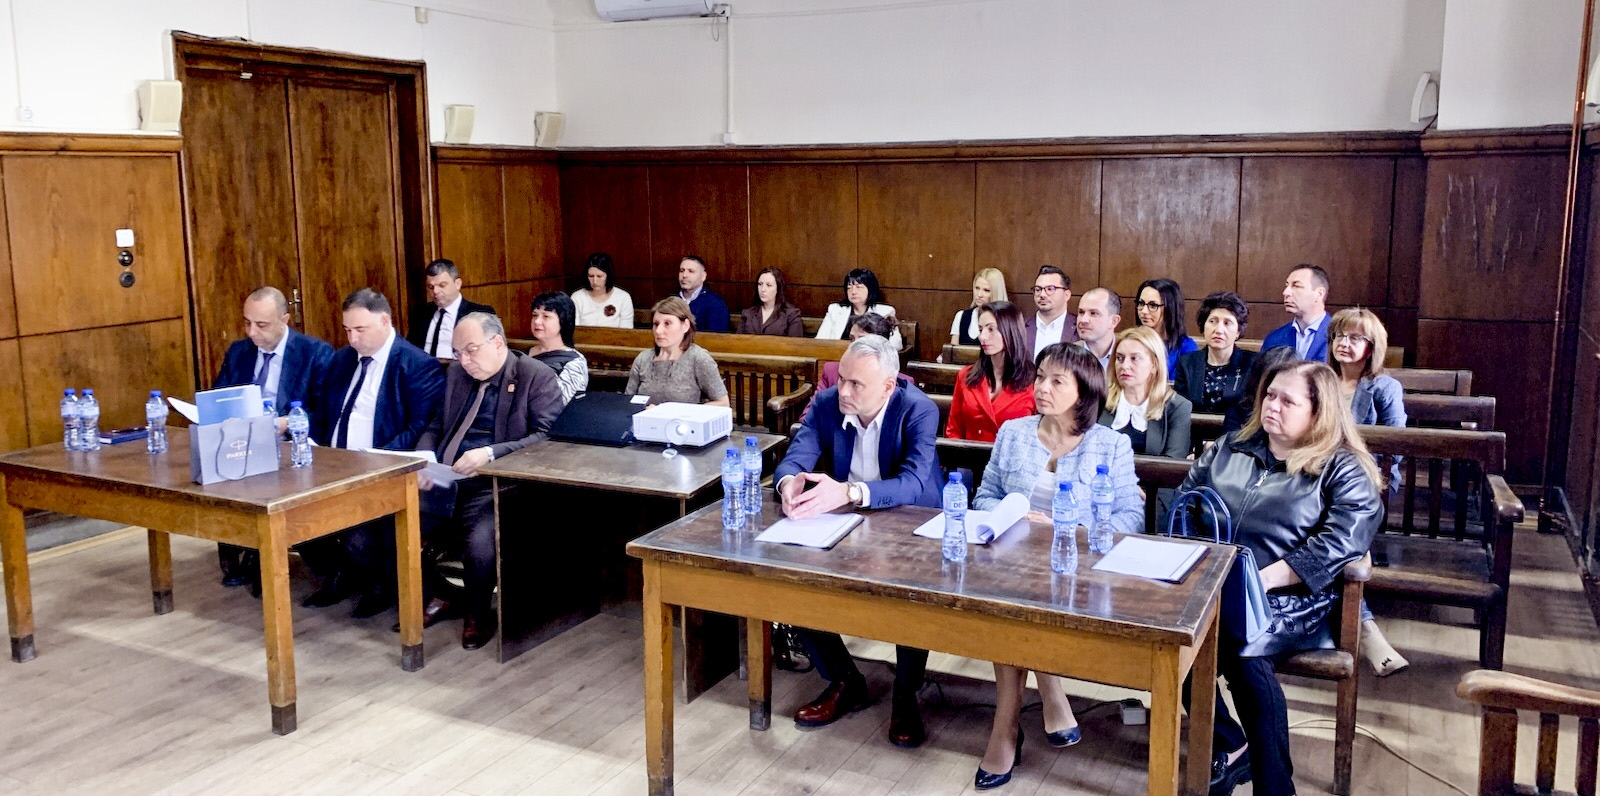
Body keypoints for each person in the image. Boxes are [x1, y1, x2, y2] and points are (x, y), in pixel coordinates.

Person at [1178, 359, 1382, 796]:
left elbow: (1341, 541)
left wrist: (1264, 578)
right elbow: (1187, 501)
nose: (1272, 405)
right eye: (1269, 395)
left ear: (1318, 411)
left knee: (1245, 650)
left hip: (1297, 598)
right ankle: (1232, 745)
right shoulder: (1231, 447)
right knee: (1178, 643)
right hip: (1215, 585)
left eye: (1287, 401)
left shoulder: (1342, 468)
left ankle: (1274, 787)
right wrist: (1200, 565)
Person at [969, 343, 1142, 789]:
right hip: (1013, 561)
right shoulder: (1013, 432)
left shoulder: (1111, 445)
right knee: (1011, 596)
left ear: (1084, 392)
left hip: (1079, 571)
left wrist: (1070, 528)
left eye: (1056, 381)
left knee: (1016, 604)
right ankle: (1039, 696)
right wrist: (1012, 514)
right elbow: (984, 496)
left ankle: (1007, 728)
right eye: (1040, 377)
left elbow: (1130, 518)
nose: (1041, 388)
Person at [773, 334, 943, 748]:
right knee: (791, 578)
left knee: (909, 591)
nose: (843, 391)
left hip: (910, 519)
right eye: (841, 379)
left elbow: (914, 482)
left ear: (888, 386)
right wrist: (788, 484)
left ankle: (905, 692)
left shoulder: (917, 408)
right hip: (845, 520)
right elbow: (796, 456)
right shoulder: (828, 402)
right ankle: (844, 679)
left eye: (855, 384)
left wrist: (850, 492)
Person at [399, 312, 565, 650]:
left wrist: (490, 454)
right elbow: (436, 424)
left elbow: (547, 437)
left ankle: (477, 612)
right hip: (444, 479)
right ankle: (442, 593)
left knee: (479, 543)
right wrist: (424, 459)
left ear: (498, 343)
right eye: (457, 352)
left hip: (497, 486)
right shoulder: (457, 374)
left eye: (471, 350)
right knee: (387, 522)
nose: (464, 360)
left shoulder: (535, 376)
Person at [302, 288, 445, 617]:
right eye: (347, 330)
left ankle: (381, 583)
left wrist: (371, 458)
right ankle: (342, 573)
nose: (353, 339)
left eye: (360, 330)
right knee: (294, 518)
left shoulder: (416, 364)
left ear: (384, 321)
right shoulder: (342, 359)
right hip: (331, 465)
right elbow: (323, 415)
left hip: (380, 469)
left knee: (361, 537)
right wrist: (310, 443)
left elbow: (420, 428)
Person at [212, 286, 335, 590]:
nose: (252, 332)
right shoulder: (239, 351)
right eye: (247, 323)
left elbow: (325, 413)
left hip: (291, 444)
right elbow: (218, 397)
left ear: (285, 320)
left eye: (261, 325)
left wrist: (287, 422)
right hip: (242, 441)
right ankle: (243, 548)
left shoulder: (314, 353)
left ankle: (268, 552)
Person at [1327, 307, 1410, 677]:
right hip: (1318, 481)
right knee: (1328, 536)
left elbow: (1397, 444)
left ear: (1372, 346)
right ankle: (1364, 628)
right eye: (1339, 336)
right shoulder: (1321, 380)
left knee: (1335, 533)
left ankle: (1362, 627)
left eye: (1355, 337)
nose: (1344, 343)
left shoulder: (1384, 387)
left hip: (1364, 485)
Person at [946, 301, 1035, 443]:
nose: (982, 337)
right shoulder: (966, 375)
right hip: (970, 455)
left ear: (1010, 330)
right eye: (981, 329)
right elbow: (953, 431)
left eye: (991, 329)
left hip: (1011, 456)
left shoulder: (1034, 380)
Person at [1100, 327, 1191, 459]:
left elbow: (1174, 463)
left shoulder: (1177, 407)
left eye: (1134, 358)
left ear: (1154, 365)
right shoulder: (1099, 399)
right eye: (1120, 358)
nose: (1124, 366)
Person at [626, 297, 730, 407]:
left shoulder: (698, 358)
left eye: (667, 323)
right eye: (656, 324)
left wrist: (677, 412)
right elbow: (628, 401)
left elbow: (723, 403)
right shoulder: (643, 359)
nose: (658, 331)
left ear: (685, 326)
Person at [807, 312, 913, 415]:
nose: (854, 345)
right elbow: (809, 414)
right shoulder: (831, 372)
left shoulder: (903, 383)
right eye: (852, 339)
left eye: (863, 340)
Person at [1175, 292, 1257, 420]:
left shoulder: (1252, 364)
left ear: (1238, 331)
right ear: (1204, 326)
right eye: (1213, 321)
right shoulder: (1186, 363)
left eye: (1227, 323)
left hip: (1237, 431)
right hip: (1193, 431)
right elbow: (1179, 411)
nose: (1218, 330)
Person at [407, 259, 496, 359]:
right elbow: (410, 349)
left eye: (442, 285)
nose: (435, 291)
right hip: (423, 367)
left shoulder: (480, 314)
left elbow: (489, 354)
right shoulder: (421, 312)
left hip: (460, 367)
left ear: (457, 284)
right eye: (431, 287)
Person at [527, 292, 589, 406]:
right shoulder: (524, 353)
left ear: (563, 320)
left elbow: (561, 402)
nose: (537, 321)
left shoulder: (574, 361)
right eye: (535, 315)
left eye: (546, 316)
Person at [816, 268, 902, 348]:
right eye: (849, 288)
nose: (853, 292)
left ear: (870, 289)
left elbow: (896, 345)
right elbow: (819, 340)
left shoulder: (885, 312)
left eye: (858, 287)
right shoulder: (835, 310)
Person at [1262, 263, 1331, 362]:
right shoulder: (1274, 339)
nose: (1285, 292)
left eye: (1296, 286)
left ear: (1319, 294)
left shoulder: (1339, 337)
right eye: (1287, 286)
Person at [1223, 346, 1300, 433]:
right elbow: (1230, 439)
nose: (1274, 406)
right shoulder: (1239, 409)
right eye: (1270, 394)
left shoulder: (1302, 415)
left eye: (1287, 401)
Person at [1135, 278, 1197, 379]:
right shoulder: (1131, 342)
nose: (1144, 311)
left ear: (1170, 308)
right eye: (1141, 303)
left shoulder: (1186, 347)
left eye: (1153, 305)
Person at [1025, 265, 1079, 360]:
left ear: (1066, 295)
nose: (1042, 295)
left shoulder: (1079, 328)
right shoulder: (1020, 326)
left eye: (1050, 289)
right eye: (1038, 289)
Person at [572, 252, 634, 328]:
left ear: (608, 276)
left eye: (599, 276)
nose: (595, 281)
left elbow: (626, 332)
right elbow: (574, 330)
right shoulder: (577, 298)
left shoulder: (623, 298)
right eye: (591, 276)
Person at [738, 266, 804, 336]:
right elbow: (737, 340)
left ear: (778, 288)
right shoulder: (747, 314)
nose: (763, 289)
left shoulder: (791, 315)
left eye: (768, 285)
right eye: (760, 284)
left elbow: (795, 342)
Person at [951, 268, 1006, 346]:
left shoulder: (1005, 320)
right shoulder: (961, 316)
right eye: (977, 288)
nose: (979, 294)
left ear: (996, 292)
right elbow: (953, 351)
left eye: (986, 290)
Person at [1073, 287, 1121, 375]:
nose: (1084, 320)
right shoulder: (1066, 356)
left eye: (1093, 313)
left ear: (1113, 321)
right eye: (1081, 312)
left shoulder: (1129, 355)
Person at [676, 255, 730, 332]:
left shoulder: (716, 304)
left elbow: (716, 337)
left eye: (691, 271)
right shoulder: (670, 301)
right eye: (682, 271)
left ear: (703, 276)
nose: (684, 275)